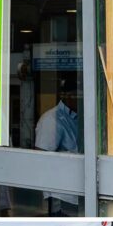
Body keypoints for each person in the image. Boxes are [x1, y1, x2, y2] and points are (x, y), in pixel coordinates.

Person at [34, 83, 79, 216]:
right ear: (69, 96)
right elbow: (41, 159)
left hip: (78, 191)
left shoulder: (79, 116)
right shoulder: (52, 120)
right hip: (62, 194)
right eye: (80, 96)